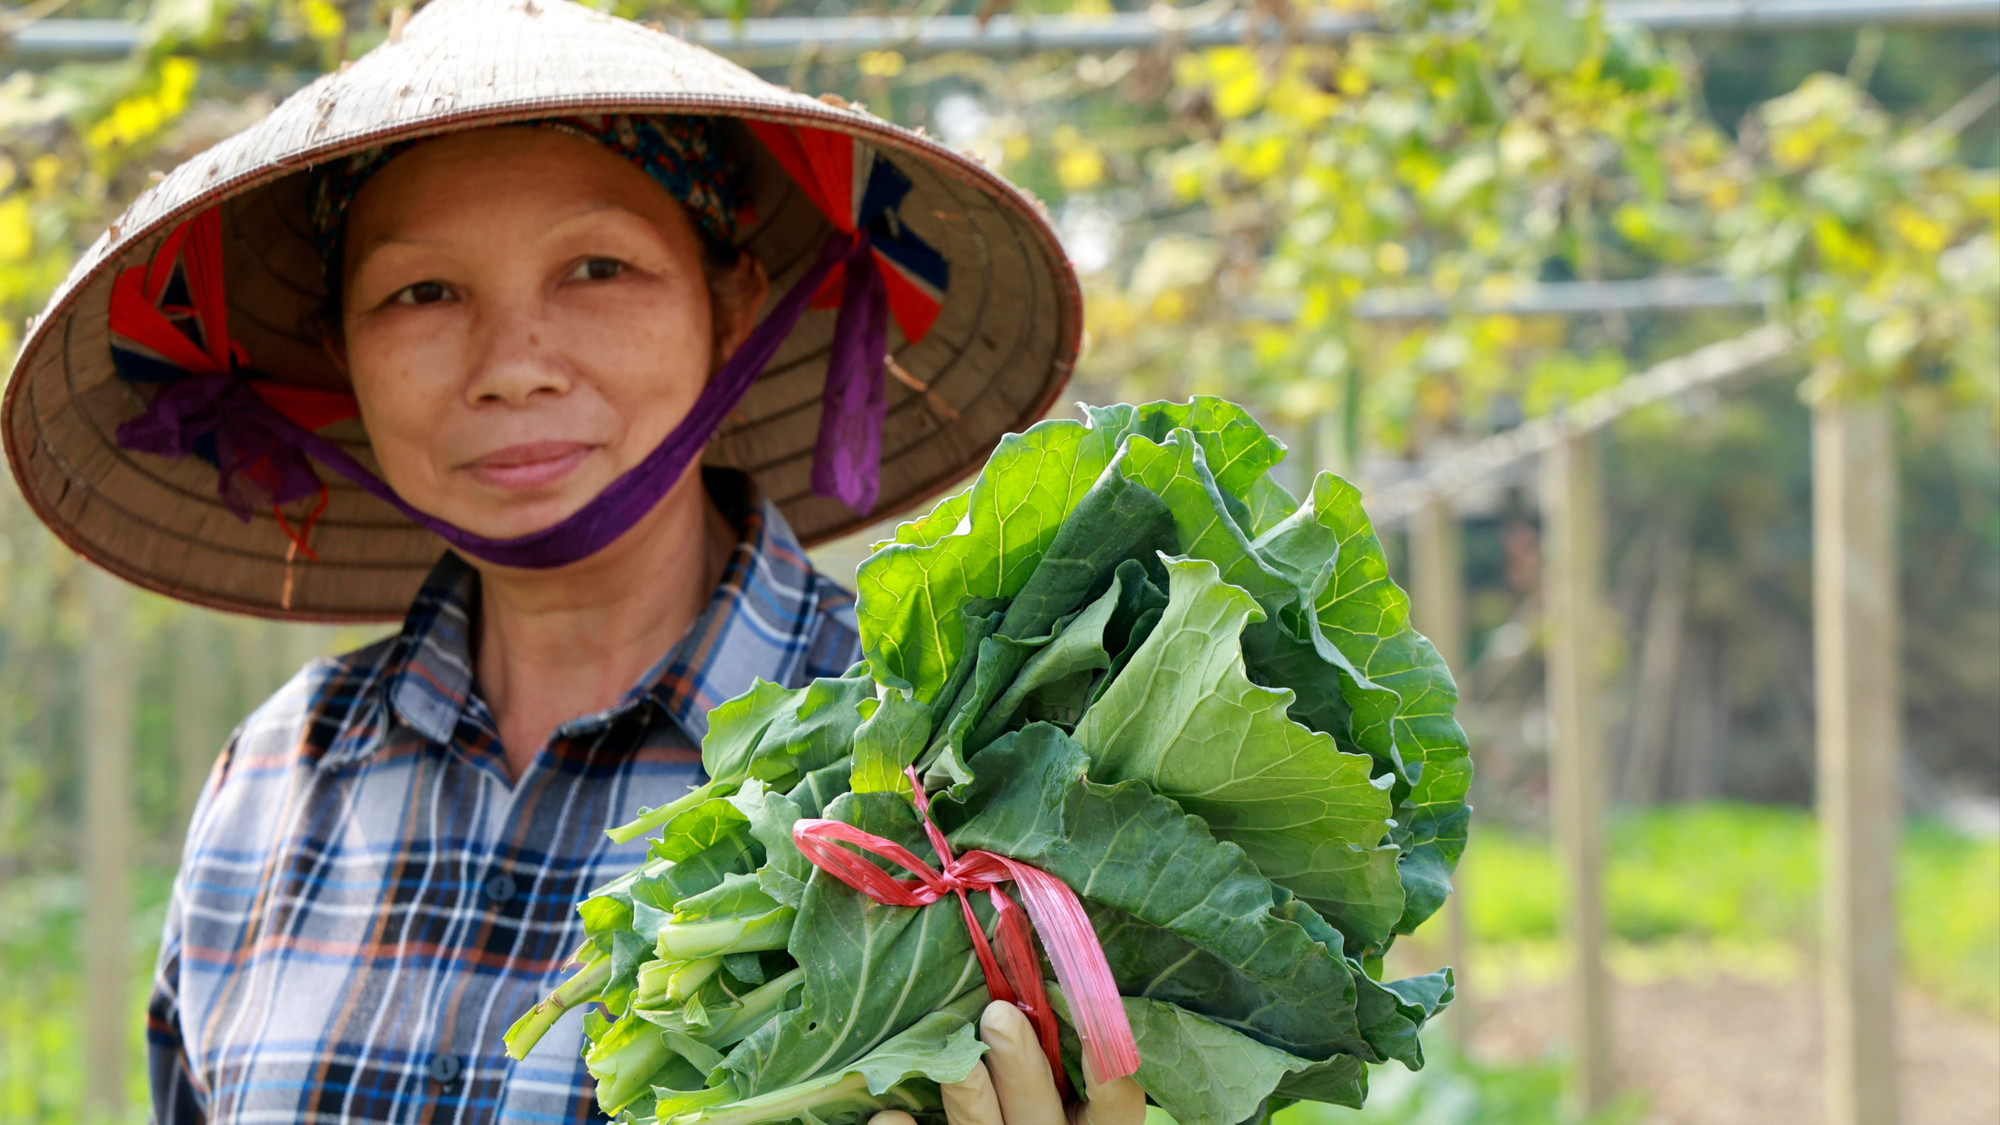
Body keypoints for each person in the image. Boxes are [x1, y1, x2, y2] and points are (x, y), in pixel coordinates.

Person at [2, 2, 1137, 1122]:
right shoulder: (272, 779)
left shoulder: (945, 756)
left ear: (731, 306)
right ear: (342, 352)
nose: (513, 365)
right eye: (420, 293)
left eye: (597, 267)